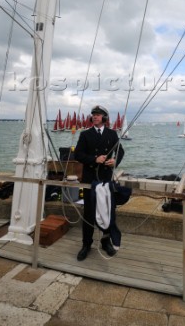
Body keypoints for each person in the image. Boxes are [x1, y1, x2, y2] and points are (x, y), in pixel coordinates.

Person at [74, 104, 124, 261]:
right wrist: (94, 159)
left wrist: (114, 161)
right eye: (93, 114)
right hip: (90, 180)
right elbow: (78, 155)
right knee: (89, 213)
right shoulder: (85, 135)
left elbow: (120, 151)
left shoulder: (112, 134)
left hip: (105, 179)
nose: (95, 116)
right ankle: (86, 245)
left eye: (98, 114)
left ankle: (105, 242)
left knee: (107, 212)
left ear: (105, 118)